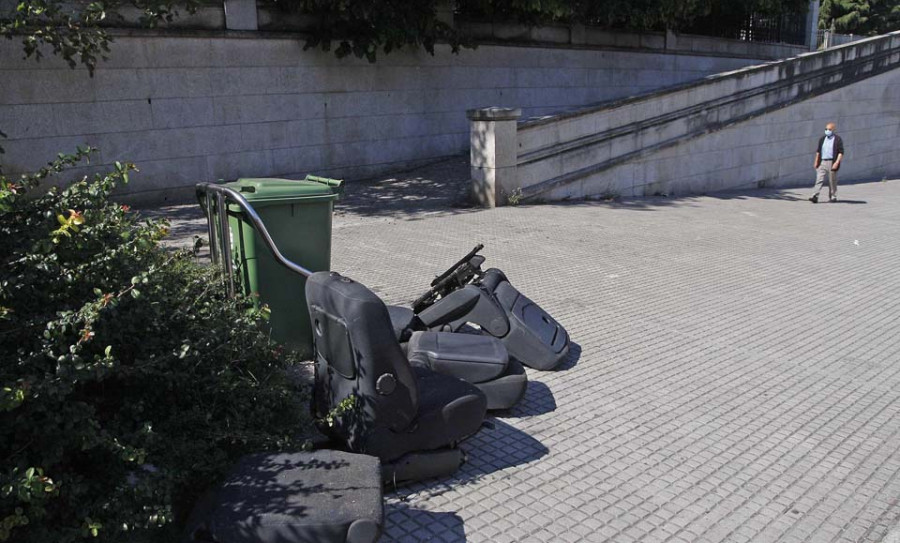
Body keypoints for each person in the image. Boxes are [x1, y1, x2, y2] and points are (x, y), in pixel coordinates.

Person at [808, 122, 844, 203]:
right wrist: (816, 161)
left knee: (832, 180)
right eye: (826, 129)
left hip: (832, 161)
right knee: (819, 179)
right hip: (822, 161)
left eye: (829, 129)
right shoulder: (822, 139)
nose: (827, 131)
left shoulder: (837, 139)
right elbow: (818, 151)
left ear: (833, 130)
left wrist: (837, 162)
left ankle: (833, 196)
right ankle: (815, 196)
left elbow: (841, 152)